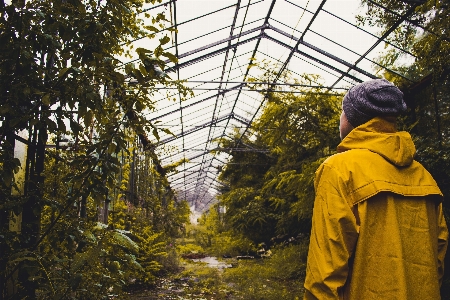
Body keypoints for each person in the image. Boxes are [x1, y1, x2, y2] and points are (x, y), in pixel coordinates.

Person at [303, 78, 448, 299]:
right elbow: (438, 257)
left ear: (354, 119)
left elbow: (325, 270)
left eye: (343, 112)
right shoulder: (423, 176)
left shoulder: (340, 169)